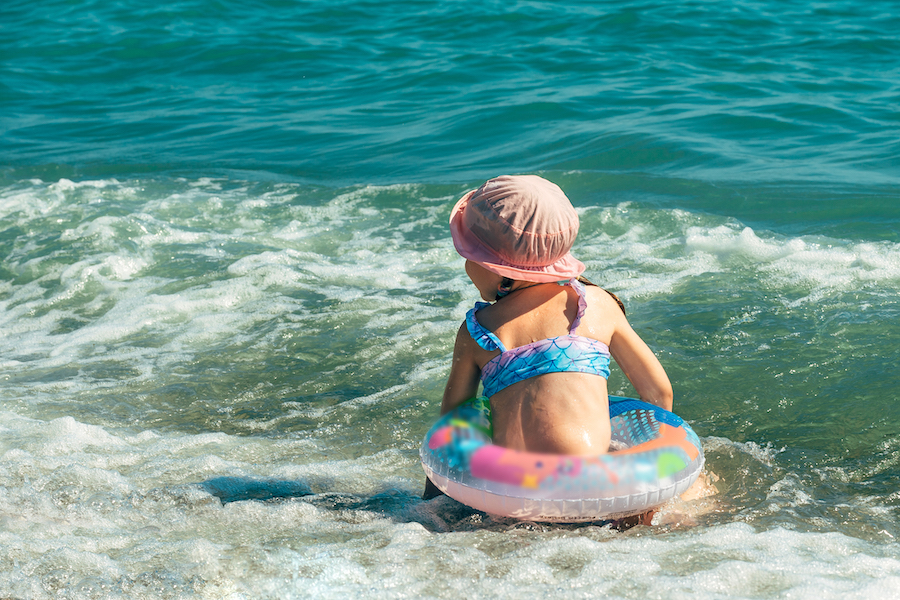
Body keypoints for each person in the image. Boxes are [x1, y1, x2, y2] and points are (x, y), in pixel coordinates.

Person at [423, 175, 675, 512]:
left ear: (500, 271)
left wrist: (431, 503)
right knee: (701, 489)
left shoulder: (477, 330)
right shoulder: (597, 305)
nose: (467, 266)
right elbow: (659, 394)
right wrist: (650, 492)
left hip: (515, 499)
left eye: (469, 257)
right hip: (594, 492)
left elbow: (451, 428)